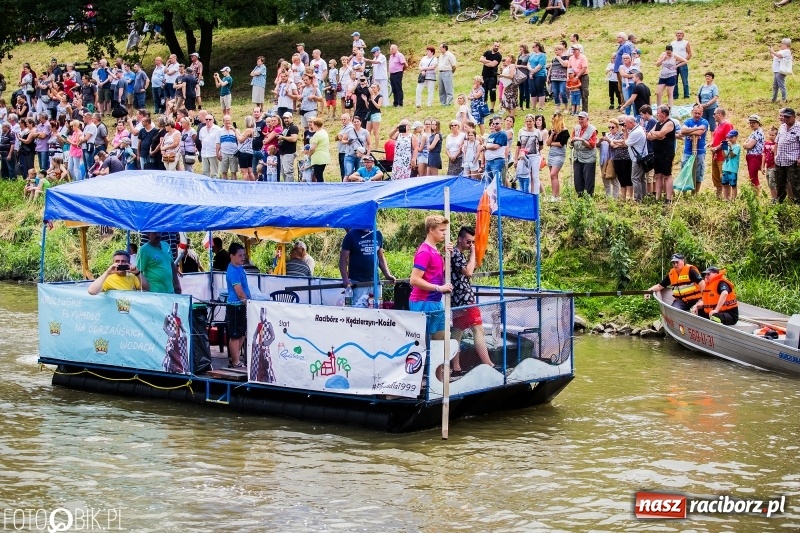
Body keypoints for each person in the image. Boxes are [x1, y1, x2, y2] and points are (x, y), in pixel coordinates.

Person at [450, 226, 494, 376]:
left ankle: (456, 367)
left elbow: (470, 268)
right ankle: (488, 364)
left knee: (457, 331)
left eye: (472, 242)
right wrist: (474, 252)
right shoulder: (455, 254)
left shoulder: (458, 254)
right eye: (468, 242)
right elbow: (469, 272)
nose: (470, 245)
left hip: (457, 299)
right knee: (478, 329)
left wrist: (472, 255)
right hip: (464, 298)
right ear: (459, 239)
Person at [409, 215, 453, 342]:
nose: (445, 234)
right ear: (431, 230)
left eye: (445, 230)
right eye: (441, 230)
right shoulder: (424, 252)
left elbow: (436, 273)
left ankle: (440, 363)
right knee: (425, 345)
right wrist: (439, 288)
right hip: (423, 302)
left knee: (441, 342)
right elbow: (414, 280)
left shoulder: (435, 250)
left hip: (436, 302)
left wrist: (446, 255)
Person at [340, 227, 395, 303]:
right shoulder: (351, 235)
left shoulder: (377, 234)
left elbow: (381, 257)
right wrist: (345, 279)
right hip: (357, 283)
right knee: (358, 309)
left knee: (377, 309)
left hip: (375, 282)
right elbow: (343, 259)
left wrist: (387, 274)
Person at [225, 242, 249, 369]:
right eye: (240, 255)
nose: (242, 257)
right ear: (232, 256)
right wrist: (247, 302)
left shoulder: (240, 268)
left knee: (242, 333)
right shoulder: (233, 271)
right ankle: (235, 361)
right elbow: (239, 292)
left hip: (241, 305)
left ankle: (235, 358)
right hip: (235, 306)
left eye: (243, 255)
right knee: (235, 335)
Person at [646, 105, 676, 202]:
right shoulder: (658, 123)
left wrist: (656, 134)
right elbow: (648, 135)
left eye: (658, 113)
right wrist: (657, 135)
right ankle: (657, 197)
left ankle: (668, 198)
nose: (657, 115)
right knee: (658, 175)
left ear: (663, 114)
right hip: (657, 153)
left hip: (666, 153)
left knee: (667, 175)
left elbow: (660, 134)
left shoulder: (669, 123)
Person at [680, 104, 710, 194]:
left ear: (702, 113)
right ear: (692, 112)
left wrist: (689, 131)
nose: (697, 115)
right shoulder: (688, 121)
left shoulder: (704, 122)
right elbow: (683, 131)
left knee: (698, 172)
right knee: (685, 171)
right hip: (687, 151)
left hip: (700, 151)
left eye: (699, 113)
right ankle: (684, 192)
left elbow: (700, 133)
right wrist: (696, 128)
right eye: (695, 113)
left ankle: (695, 193)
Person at [775, 108, 800, 203]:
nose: (785, 119)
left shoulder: (798, 127)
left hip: (792, 161)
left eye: (788, 117)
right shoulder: (782, 126)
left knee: (795, 185)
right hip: (780, 161)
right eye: (784, 116)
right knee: (780, 184)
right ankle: (779, 204)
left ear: (794, 116)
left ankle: (797, 206)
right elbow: (777, 142)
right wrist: (775, 156)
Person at [570, 111, 597, 197]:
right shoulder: (576, 128)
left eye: (582, 119)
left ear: (587, 119)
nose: (580, 121)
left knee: (588, 179)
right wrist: (571, 142)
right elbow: (571, 140)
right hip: (577, 157)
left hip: (588, 158)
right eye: (579, 119)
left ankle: (589, 197)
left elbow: (592, 146)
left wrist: (582, 140)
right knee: (577, 179)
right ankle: (580, 196)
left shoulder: (593, 130)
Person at [623, 114, 648, 201]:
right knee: (642, 178)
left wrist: (625, 133)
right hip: (642, 157)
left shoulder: (635, 132)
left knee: (635, 178)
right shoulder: (639, 129)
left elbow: (626, 143)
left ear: (631, 122)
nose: (625, 126)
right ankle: (644, 197)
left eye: (626, 124)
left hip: (637, 159)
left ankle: (638, 198)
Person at [546, 112, 569, 201]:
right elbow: (547, 143)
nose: (552, 121)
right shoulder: (552, 131)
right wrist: (552, 134)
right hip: (551, 154)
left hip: (559, 155)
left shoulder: (565, 131)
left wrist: (552, 143)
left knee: (553, 174)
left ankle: (555, 196)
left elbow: (561, 144)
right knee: (553, 176)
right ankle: (555, 195)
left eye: (553, 119)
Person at [479, 42, 502, 114]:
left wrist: (485, 62)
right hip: (484, 76)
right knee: (484, 92)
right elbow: (480, 59)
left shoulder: (498, 56)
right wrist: (489, 61)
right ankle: (485, 107)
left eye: (498, 46)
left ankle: (492, 108)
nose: (496, 47)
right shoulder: (487, 52)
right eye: (495, 46)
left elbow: (493, 65)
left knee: (492, 92)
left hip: (492, 77)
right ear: (493, 45)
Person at [671, 30, 693, 100]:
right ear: (675, 34)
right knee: (674, 81)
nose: (679, 34)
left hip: (683, 64)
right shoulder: (672, 43)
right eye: (678, 33)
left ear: (683, 35)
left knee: (685, 80)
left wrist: (685, 60)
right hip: (674, 64)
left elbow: (690, 53)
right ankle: (675, 96)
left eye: (680, 33)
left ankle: (686, 95)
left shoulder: (685, 43)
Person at [484, 116, 508, 182]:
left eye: (497, 123)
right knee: (489, 182)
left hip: (497, 161)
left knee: (496, 182)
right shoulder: (491, 135)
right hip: (489, 161)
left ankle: (499, 192)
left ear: (501, 123)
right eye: (493, 123)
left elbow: (496, 147)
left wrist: (485, 147)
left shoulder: (502, 134)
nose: (495, 125)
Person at [769, 38, 792, 104]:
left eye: (782, 43)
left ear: (786, 44)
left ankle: (784, 99)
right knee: (775, 86)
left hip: (780, 71)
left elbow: (778, 55)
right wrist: (771, 51)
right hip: (776, 71)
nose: (781, 45)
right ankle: (773, 99)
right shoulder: (781, 51)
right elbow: (774, 57)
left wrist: (772, 51)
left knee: (781, 85)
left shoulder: (787, 51)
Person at [720, 129, 741, 201]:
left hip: (732, 169)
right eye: (729, 137)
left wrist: (731, 148)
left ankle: (733, 199)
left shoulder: (737, 146)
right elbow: (725, 156)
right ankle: (726, 198)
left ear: (736, 137)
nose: (730, 139)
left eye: (731, 137)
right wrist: (723, 148)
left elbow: (732, 156)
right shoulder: (727, 146)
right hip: (725, 167)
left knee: (733, 185)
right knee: (725, 184)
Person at [307, 118, 330, 182]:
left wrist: (308, 155)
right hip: (325, 156)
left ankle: (321, 189)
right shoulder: (324, 132)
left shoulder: (317, 135)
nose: (312, 126)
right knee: (320, 174)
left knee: (318, 175)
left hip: (318, 157)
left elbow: (312, 148)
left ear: (316, 126)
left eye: (313, 125)